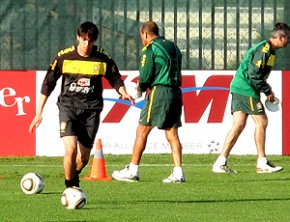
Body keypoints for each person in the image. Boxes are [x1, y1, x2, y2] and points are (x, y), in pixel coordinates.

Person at [29, 21, 134, 188]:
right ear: (78, 37)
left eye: (90, 41)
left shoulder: (102, 58)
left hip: (91, 111)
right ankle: (70, 188)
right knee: (70, 149)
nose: (87, 44)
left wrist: (122, 91)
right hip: (68, 108)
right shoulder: (64, 57)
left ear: (94, 41)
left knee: (83, 158)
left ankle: (71, 180)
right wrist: (38, 113)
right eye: (84, 39)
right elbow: (48, 83)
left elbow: (115, 78)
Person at [112, 21, 185, 183]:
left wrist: (139, 90)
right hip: (175, 92)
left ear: (145, 34)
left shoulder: (150, 49)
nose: (142, 40)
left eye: (142, 37)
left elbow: (145, 75)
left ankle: (133, 169)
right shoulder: (174, 47)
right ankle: (178, 172)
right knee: (172, 134)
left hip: (160, 92)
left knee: (142, 130)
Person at [212, 22, 290, 174]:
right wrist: (267, 91)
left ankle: (220, 162)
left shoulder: (270, 51)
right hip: (246, 88)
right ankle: (262, 163)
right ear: (281, 38)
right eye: (288, 38)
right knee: (262, 122)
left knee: (238, 125)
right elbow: (253, 74)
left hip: (240, 87)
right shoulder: (264, 50)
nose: (288, 42)